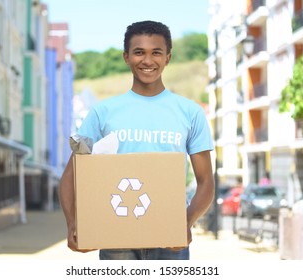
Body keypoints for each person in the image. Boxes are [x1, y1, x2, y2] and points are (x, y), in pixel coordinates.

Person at [59, 20, 214, 260]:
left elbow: (205, 182)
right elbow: (72, 174)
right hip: (115, 238)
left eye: (156, 53)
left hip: (169, 238)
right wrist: (72, 223)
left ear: (168, 58)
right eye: (139, 52)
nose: (148, 61)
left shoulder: (191, 113)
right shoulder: (103, 113)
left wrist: (186, 222)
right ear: (126, 57)